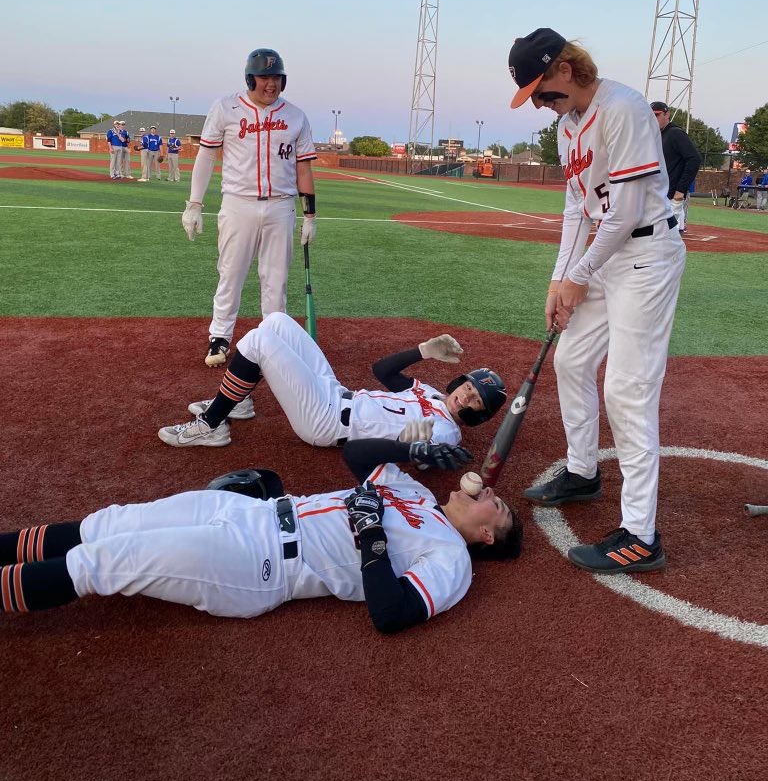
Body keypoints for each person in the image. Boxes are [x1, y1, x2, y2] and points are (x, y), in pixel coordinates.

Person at [0, 437, 522, 632]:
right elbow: (356, 456)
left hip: (259, 565)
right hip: (253, 512)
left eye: (493, 507)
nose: (485, 495)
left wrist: (371, 537)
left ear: (487, 538)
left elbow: (392, 613)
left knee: (103, 563)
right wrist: (410, 452)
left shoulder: (451, 558)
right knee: (103, 524)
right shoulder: (416, 495)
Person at [507, 28, 686, 574]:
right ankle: (583, 472)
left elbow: (627, 211)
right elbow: (575, 211)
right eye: (534, 97)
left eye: (543, 90)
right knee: (571, 359)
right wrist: (558, 279)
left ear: (566, 68)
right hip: (604, 260)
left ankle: (640, 534)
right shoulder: (567, 127)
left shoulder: (624, 108)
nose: (540, 104)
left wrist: (579, 275)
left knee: (626, 391)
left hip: (645, 257)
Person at [158, 313, 507, 450]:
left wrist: (429, 448)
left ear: (478, 415)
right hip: (335, 392)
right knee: (276, 322)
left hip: (325, 421)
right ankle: (236, 402)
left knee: (258, 342)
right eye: (470, 388)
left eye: (476, 401)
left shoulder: (445, 432)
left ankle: (212, 423)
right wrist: (424, 350)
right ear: (460, 381)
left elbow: (402, 442)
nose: (466, 396)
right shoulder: (430, 393)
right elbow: (382, 372)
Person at [182, 48, 318, 368]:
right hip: (238, 204)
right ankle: (220, 337)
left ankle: (273, 338)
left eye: (275, 78)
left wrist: (310, 215)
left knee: (276, 280)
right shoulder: (225, 108)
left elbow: (304, 169)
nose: (270, 84)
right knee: (230, 273)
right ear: (249, 78)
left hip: (281, 206)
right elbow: (206, 157)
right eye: (263, 77)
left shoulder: (296, 116)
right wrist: (194, 204)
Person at [649, 102, 701, 235]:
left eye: (657, 115)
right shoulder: (658, 135)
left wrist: (680, 190)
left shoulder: (675, 133)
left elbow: (694, 159)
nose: (654, 118)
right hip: (660, 195)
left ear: (667, 114)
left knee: (666, 237)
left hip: (671, 196)